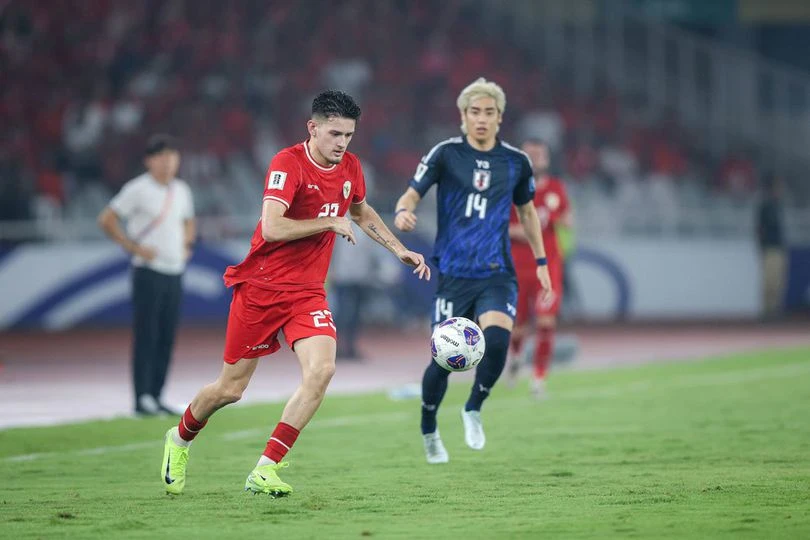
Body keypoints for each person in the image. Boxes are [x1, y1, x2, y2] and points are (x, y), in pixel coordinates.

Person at [160, 90, 430, 496]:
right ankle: (179, 439)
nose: (342, 143)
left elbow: (360, 211)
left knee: (322, 370)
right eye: (335, 133)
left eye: (349, 135)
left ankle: (265, 467)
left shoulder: (351, 167)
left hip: (307, 293)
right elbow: (272, 227)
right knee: (230, 389)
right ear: (313, 128)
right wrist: (326, 223)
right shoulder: (288, 163)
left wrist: (398, 249)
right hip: (262, 288)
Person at [394, 78, 552, 464]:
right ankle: (429, 428)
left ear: (500, 118)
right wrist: (402, 212)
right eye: (474, 112)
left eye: (489, 113)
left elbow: (528, 213)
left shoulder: (516, 162)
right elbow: (411, 194)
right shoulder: (446, 154)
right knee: (444, 361)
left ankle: (474, 407)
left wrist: (542, 261)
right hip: (454, 274)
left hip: (496, 271)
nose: (481, 119)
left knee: (497, 342)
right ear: (463, 116)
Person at [97, 134, 195, 416]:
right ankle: (142, 397)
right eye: (161, 157)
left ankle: (157, 394)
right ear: (148, 161)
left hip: (174, 271)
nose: (167, 163)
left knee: (167, 336)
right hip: (148, 271)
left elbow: (189, 220)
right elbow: (107, 219)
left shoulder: (181, 189)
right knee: (147, 335)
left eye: (172, 157)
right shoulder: (137, 189)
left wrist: (186, 245)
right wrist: (132, 247)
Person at [506, 139, 573, 398]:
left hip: (549, 266)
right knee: (518, 325)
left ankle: (538, 379)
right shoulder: (511, 188)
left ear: (547, 159)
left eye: (539, 155)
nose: (535, 160)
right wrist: (523, 231)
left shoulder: (556, 188)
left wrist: (559, 219)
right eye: (530, 155)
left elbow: (568, 219)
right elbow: (500, 225)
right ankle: (516, 356)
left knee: (546, 321)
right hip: (518, 266)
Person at [757, 173, 786, 318]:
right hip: (769, 247)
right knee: (769, 281)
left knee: (778, 281)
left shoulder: (778, 206)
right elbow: (760, 228)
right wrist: (762, 246)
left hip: (778, 247)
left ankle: (775, 309)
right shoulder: (765, 206)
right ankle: (767, 310)